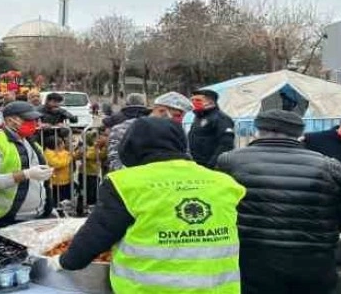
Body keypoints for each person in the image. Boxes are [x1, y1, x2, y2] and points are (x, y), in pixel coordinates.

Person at [48, 118, 246, 294]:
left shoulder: (125, 183)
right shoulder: (224, 182)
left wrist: (64, 261)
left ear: (131, 147)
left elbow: (98, 233)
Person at [216, 110, 341, 294]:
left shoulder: (229, 162)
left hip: (253, 257)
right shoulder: (329, 166)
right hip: (314, 260)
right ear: (299, 134)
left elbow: (219, 209)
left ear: (258, 129)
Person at [0, 101, 52, 234]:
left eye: (34, 119)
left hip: (36, 216)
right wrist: (25, 174)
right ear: (9, 120)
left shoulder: (31, 142)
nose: (33, 123)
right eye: (27, 119)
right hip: (3, 220)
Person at [107, 91, 191, 172]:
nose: (180, 120)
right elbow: (116, 162)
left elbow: (186, 156)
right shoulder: (123, 129)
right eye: (177, 115)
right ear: (161, 110)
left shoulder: (177, 131)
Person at [188, 89, 235, 168]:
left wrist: (213, 164)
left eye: (198, 100)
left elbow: (226, 144)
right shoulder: (198, 117)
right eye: (192, 100)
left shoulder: (220, 118)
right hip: (197, 164)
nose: (194, 103)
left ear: (211, 102)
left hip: (211, 165)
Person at [43, 135, 72, 209]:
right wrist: (68, 159)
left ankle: (63, 208)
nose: (64, 145)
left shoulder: (61, 151)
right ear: (56, 146)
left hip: (65, 180)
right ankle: (57, 209)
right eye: (62, 143)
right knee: (57, 198)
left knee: (65, 198)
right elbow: (57, 164)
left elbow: (69, 154)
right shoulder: (48, 153)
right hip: (56, 181)